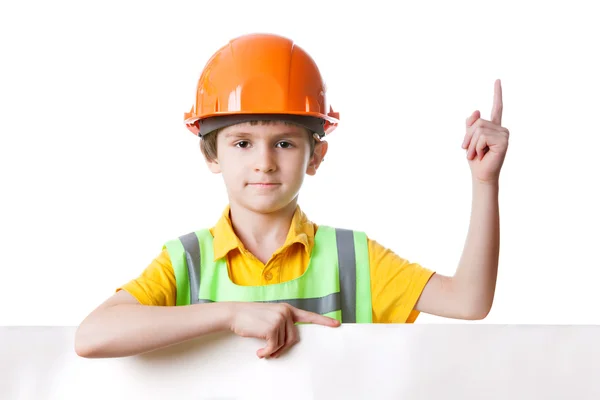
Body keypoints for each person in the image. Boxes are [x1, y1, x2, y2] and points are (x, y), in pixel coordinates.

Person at [74, 33, 509, 360]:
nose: (263, 162)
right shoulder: (187, 259)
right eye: (242, 143)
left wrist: (484, 183)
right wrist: (230, 315)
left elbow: (468, 301)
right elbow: (92, 336)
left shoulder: (350, 257)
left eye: (284, 143)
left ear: (315, 156)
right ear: (212, 154)